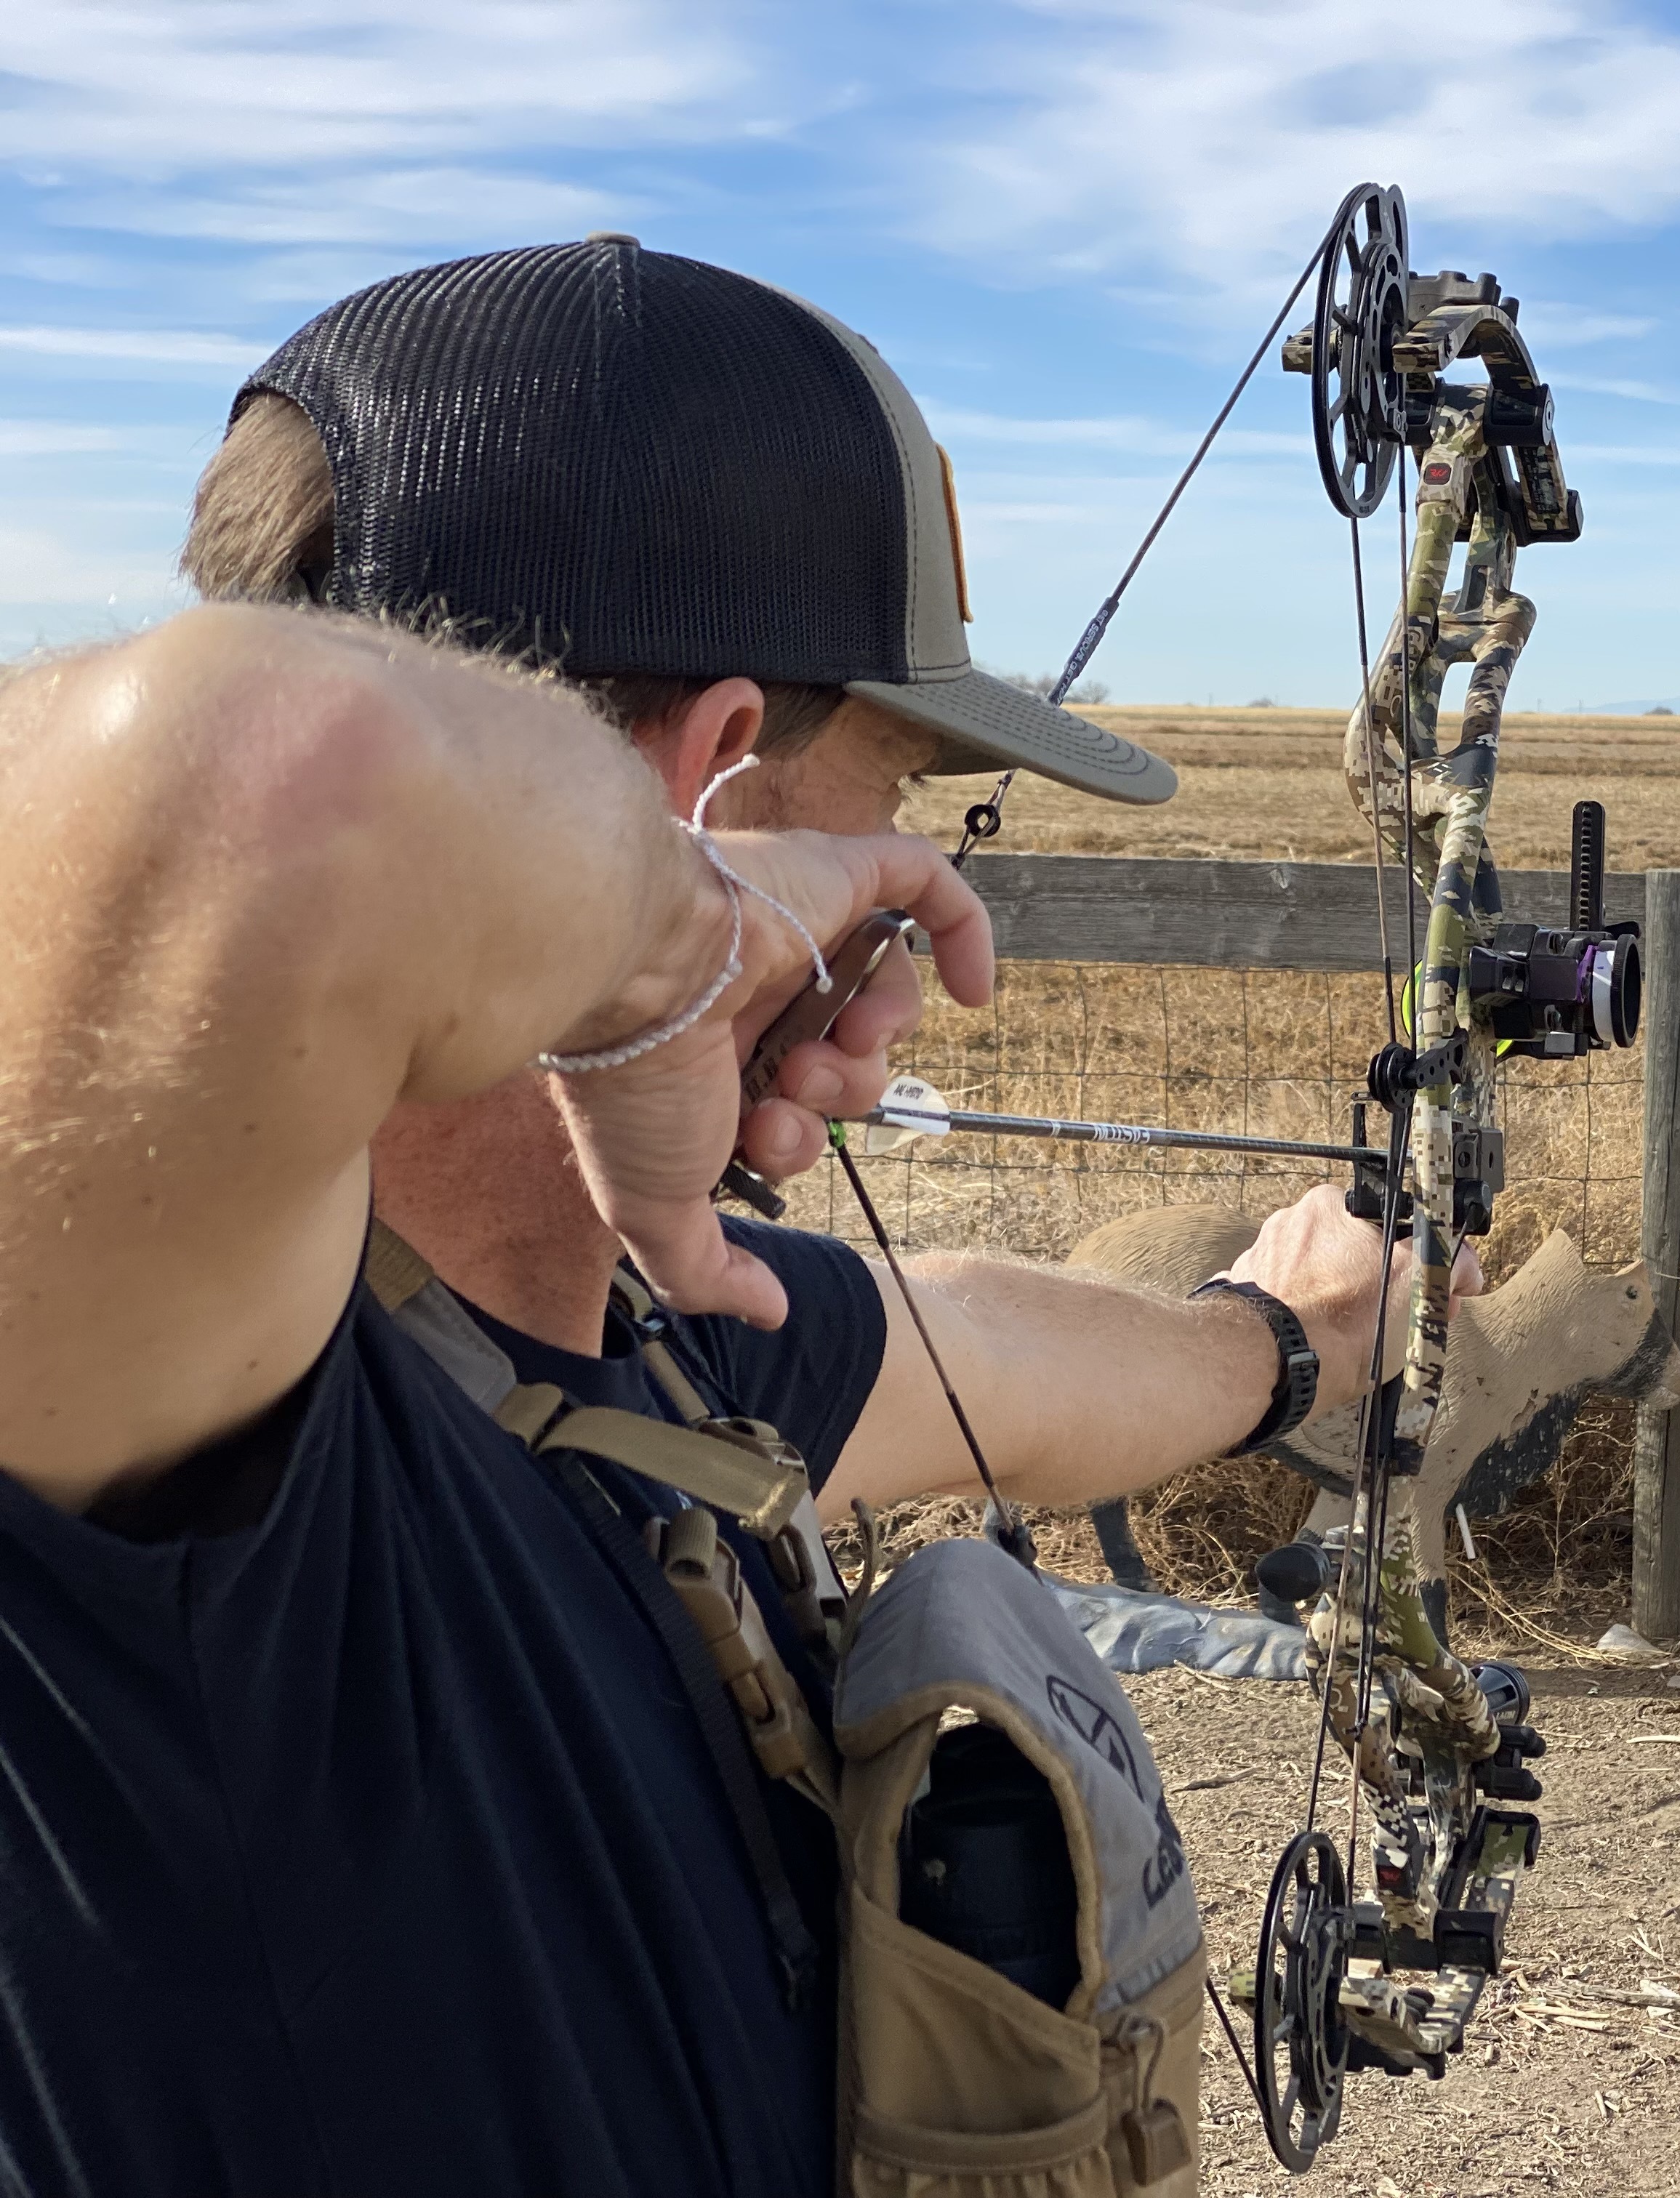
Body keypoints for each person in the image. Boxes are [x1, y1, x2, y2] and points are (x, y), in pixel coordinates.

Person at [0, 238, 1434, 2197]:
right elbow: (268, 786)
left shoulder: (646, 1333)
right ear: (712, 773)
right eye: (891, 794)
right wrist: (672, 943)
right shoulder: (201, 1416)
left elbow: (972, 1353)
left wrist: (1279, 1341)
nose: (910, 883)